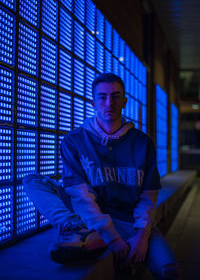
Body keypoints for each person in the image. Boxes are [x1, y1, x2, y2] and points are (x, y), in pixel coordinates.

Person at [23, 73, 181, 279]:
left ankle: (91, 239)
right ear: (93, 102)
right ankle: (78, 228)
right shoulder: (75, 140)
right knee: (33, 180)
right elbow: (81, 195)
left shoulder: (142, 142)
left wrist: (142, 234)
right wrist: (111, 237)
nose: (109, 102)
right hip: (89, 216)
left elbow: (148, 194)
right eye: (102, 97)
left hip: (128, 219)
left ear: (124, 101)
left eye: (116, 96)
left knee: (169, 270)